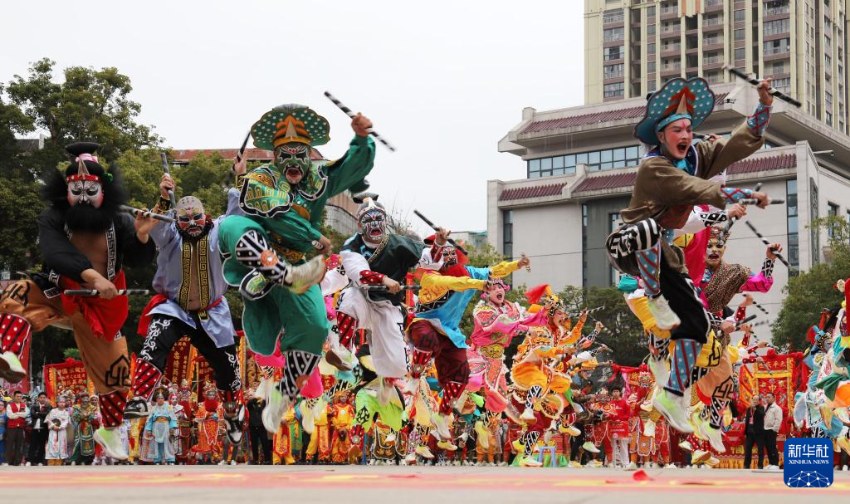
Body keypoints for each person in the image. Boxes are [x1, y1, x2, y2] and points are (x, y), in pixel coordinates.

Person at [607, 77, 774, 433]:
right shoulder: (653, 167)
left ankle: (671, 394)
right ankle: (654, 299)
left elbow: (735, 146)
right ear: (661, 136)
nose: (685, 135)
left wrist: (764, 107)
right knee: (650, 231)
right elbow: (692, 189)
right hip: (627, 245)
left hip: (665, 258)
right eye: (676, 130)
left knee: (696, 328)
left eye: (688, 128)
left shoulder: (695, 156)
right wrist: (738, 195)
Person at [218, 104, 376, 433]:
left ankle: (283, 397)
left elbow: (349, 168)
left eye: (299, 154)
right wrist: (312, 235)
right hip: (261, 250)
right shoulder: (259, 180)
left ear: (308, 155)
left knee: (316, 327)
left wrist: (361, 139)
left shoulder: (317, 180)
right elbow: (278, 214)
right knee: (232, 225)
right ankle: (274, 273)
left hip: (300, 264)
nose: (293, 161)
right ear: (275, 156)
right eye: (285, 154)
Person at [0, 142, 157, 460]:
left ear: (104, 190)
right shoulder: (54, 217)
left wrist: (141, 237)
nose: (83, 196)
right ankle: (9, 354)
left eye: (90, 189)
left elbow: (141, 260)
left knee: (116, 375)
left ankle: (110, 431)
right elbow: (55, 251)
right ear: (66, 190)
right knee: (9, 295)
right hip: (58, 293)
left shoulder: (120, 220)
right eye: (77, 189)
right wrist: (91, 276)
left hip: (102, 307)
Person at [126, 173, 244, 446]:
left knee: (228, 367)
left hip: (212, 311)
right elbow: (153, 223)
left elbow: (237, 212)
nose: (191, 223)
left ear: (207, 216)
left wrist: (239, 176)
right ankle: (139, 398)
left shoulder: (219, 230)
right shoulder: (169, 235)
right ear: (176, 220)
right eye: (185, 219)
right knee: (155, 340)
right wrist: (164, 197)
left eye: (197, 218)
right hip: (174, 308)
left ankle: (233, 414)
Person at [247, 388, 271, 464]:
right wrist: (252, 396)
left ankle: (267, 459)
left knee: (265, 443)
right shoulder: (250, 403)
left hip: (261, 425)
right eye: (250, 395)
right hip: (253, 426)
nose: (251, 396)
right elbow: (249, 403)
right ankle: (255, 459)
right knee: (254, 444)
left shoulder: (263, 402)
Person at [45, 396, 71, 465]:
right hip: (53, 430)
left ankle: (59, 461)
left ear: (65, 403)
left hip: (62, 431)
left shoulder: (66, 412)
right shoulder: (53, 411)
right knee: (52, 444)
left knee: (62, 445)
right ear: (57, 403)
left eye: (63, 402)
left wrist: (60, 427)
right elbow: (48, 419)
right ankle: (51, 461)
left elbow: (66, 422)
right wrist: (53, 426)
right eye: (60, 402)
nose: (62, 404)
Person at [27, 391, 52, 466]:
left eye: (44, 397)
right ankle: (30, 460)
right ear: (38, 398)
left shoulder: (49, 407)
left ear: (46, 398)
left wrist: (38, 413)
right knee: (33, 445)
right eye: (41, 397)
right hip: (35, 428)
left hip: (44, 428)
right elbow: (33, 414)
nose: (42, 399)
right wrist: (40, 414)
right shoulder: (34, 406)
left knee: (42, 445)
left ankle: (40, 461)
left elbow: (47, 415)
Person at [743, 394, 766, 469]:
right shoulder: (749, 409)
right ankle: (746, 465)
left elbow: (762, 415)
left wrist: (755, 409)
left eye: (756, 400)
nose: (755, 401)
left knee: (760, 449)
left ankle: (760, 465)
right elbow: (747, 420)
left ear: (759, 401)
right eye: (754, 399)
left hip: (758, 432)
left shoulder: (761, 408)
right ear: (752, 400)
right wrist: (745, 431)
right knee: (748, 449)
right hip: (749, 432)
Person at [5, 391, 27, 465]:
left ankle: (17, 462)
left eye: (20, 396)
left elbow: (25, 415)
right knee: (10, 445)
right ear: (14, 397)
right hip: (11, 428)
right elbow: (10, 416)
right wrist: (19, 414)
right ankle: (9, 461)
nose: (19, 398)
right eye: (17, 396)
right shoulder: (9, 405)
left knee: (19, 445)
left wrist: (16, 414)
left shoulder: (24, 405)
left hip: (20, 427)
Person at [763, 392, 782, 469]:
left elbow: (778, 420)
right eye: (766, 397)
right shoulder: (765, 407)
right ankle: (771, 463)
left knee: (772, 446)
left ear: (774, 398)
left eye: (769, 397)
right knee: (767, 447)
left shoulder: (777, 408)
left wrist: (774, 429)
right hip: (765, 429)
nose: (767, 398)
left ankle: (775, 464)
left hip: (771, 430)